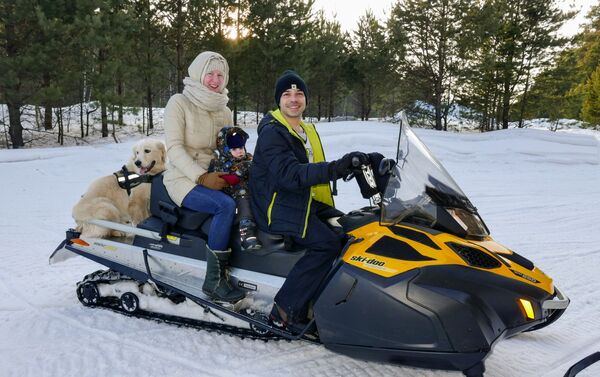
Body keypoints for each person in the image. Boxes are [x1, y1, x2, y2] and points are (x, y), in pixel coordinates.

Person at [249, 70, 367, 329]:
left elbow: (311, 171)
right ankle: (284, 310)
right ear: (278, 100)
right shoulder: (272, 132)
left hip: (299, 200)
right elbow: (289, 175)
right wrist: (337, 167)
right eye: (287, 94)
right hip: (275, 206)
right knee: (326, 244)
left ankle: (324, 297)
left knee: (351, 227)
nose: (294, 99)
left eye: (299, 94)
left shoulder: (305, 129)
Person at [162, 51, 245, 303]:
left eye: (220, 75)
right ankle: (214, 281)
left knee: (249, 198)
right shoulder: (179, 102)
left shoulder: (224, 109)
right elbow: (174, 148)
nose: (215, 79)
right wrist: (201, 177)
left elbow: (229, 148)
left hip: (215, 173)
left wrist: (242, 167)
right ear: (198, 74)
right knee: (225, 206)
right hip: (182, 178)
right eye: (209, 73)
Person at [209, 126, 261, 250]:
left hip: (253, 190)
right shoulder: (220, 163)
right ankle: (246, 231)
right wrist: (242, 170)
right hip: (234, 194)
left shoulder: (248, 158)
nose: (239, 151)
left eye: (241, 147)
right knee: (242, 191)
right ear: (226, 149)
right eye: (235, 149)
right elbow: (229, 179)